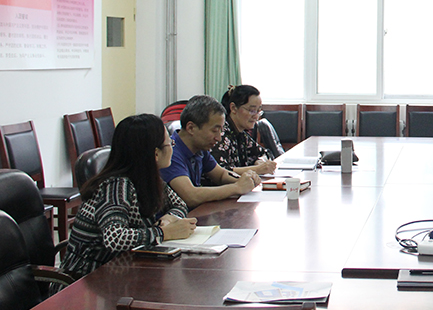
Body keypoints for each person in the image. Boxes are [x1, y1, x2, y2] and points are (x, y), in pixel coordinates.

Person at [61, 114, 196, 280]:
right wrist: (162, 233)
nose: (172, 149)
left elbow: (179, 205)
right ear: (155, 153)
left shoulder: (148, 178)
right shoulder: (117, 185)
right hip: (86, 279)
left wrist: (169, 218)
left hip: (121, 270)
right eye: (170, 144)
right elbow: (114, 238)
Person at [161, 95, 260, 207]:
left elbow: (221, 175)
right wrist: (237, 187)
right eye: (214, 130)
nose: (218, 138)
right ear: (191, 128)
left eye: (221, 131)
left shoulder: (200, 148)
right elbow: (191, 196)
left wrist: (245, 179)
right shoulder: (171, 152)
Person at [210, 84, 278, 176]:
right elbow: (220, 172)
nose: (256, 116)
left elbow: (265, 153)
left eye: (258, 111)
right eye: (252, 110)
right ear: (233, 108)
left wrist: (260, 161)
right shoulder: (221, 134)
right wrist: (257, 169)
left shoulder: (241, 134)